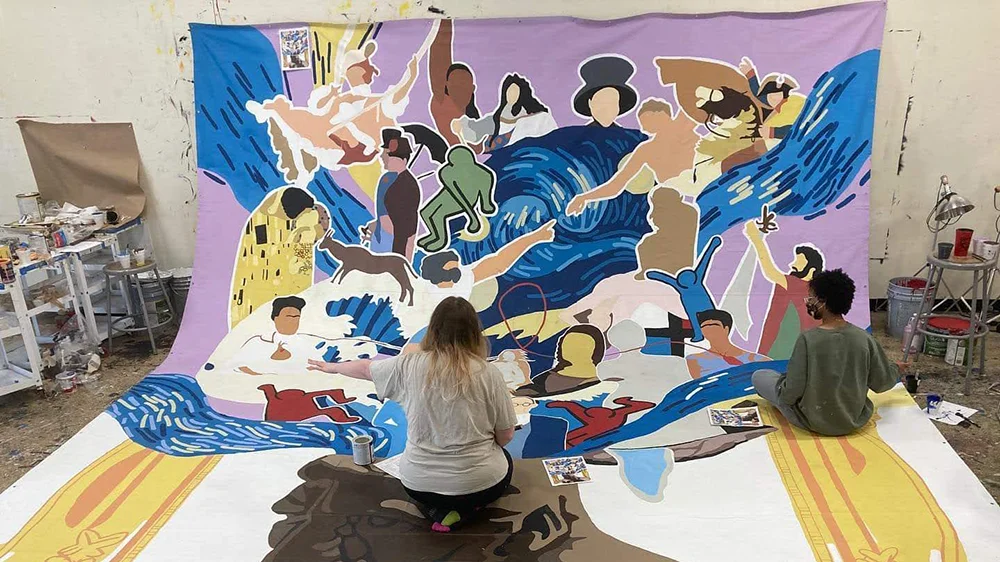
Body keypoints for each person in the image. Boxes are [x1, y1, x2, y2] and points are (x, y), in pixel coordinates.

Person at [306, 297, 517, 533]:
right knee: (505, 463)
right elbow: (506, 435)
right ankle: (467, 509)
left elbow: (366, 369)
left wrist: (332, 367)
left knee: (432, 490)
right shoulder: (489, 373)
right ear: (475, 334)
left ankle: (436, 509)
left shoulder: (407, 365)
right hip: (479, 485)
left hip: (418, 485)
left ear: (433, 330)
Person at [752, 269, 906, 436]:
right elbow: (881, 382)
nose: (808, 301)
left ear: (822, 302)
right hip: (853, 420)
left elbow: (791, 393)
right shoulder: (864, 339)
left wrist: (783, 386)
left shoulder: (807, 339)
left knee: (760, 376)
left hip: (811, 421)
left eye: (811, 297)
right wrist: (895, 369)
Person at [565, 99, 698, 216]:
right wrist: (583, 198)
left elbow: (694, 101)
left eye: (646, 120)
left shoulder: (682, 126)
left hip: (704, 186)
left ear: (661, 115)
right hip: (680, 200)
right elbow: (616, 185)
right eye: (642, 123)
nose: (643, 127)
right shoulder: (646, 149)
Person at [744, 219, 824, 358]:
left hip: (787, 348)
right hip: (795, 348)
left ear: (811, 268)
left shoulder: (795, 284)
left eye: (799, 262)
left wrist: (756, 238)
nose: (792, 265)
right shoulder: (816, 290)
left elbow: (769, 269)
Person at [455, 73, 557, 152]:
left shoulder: (538, 117)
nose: (511, 95)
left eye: (515, 91)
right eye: (509, 91)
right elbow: (476, 130)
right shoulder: (497, 118)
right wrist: (462, 126)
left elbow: (551, 137)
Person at [362, 129, 420, 259]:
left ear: (404, 160)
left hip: (393, 244)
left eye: (388, 154)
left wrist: (381, 232)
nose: (382, 157)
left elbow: (405, 224)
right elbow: (385, 215)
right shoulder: (387, 179)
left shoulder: (407, 184)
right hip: (383, 239)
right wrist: (376, 228)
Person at [686, 309, 769, 379]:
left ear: (726, 329)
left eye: (714, 325)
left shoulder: (759, 360)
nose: (709, 329)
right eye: (704, 326)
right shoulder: (694, 360)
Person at [572, 55, 638, 128]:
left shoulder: (627, 137)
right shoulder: (580, 136)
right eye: (601, 102)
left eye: (612, 103)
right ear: (590, 103)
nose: (607, 109)